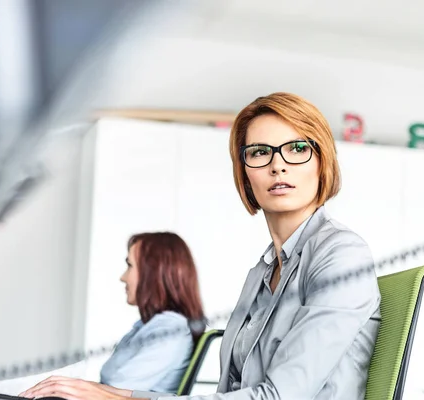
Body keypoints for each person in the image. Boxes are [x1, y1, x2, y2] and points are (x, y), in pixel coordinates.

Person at [20, 92, 382, 400]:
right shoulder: (261, 273)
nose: (278, 166)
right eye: (259, 153)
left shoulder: (341, 254)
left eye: (297, 149)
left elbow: (278, 397)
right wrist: (119, 394)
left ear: (322, 162)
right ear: (245, 172)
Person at [0, 232, 205, 396]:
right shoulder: (150, 326)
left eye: (129, 266)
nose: (122, 277)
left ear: (154, 272)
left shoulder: (171, 330)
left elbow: (108, 391)